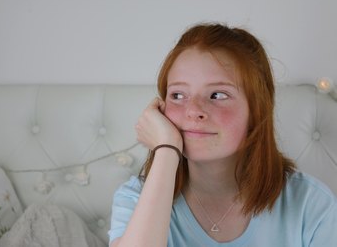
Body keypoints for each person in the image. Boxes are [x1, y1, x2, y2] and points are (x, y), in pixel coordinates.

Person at [108, 23, 337, 246]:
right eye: (177, 95)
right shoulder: (135, 198)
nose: (193, 110)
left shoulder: (312, 204)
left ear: (256, 110)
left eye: (217, 95)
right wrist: (167, 150)